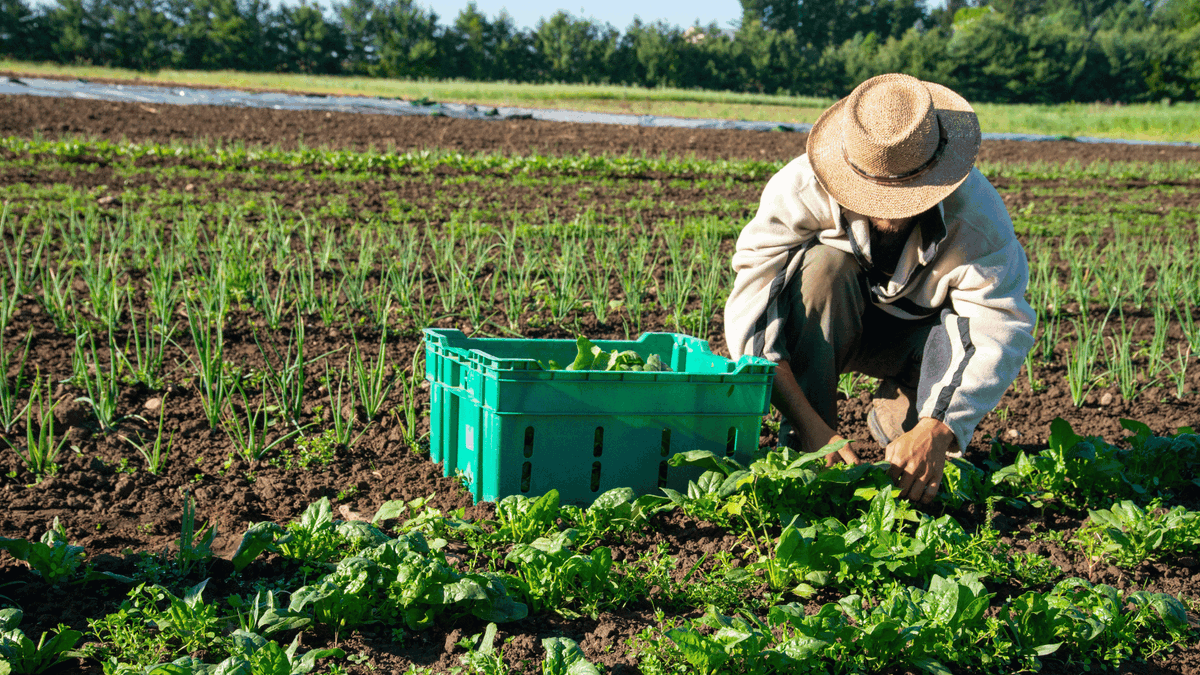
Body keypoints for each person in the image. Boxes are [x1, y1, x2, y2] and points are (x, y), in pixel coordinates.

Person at [724, 73, 1035, 505]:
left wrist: (937, 429)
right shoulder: (799, 189)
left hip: (917, 341)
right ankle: (807, 447)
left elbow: (998, 325)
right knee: (822, 268)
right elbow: (753, 316)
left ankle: (902, 410)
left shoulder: (977, 218)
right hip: (832, 323)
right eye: (874, 194)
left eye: (906, 194)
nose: (889, 212)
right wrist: (814, 429)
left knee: (915, 464)